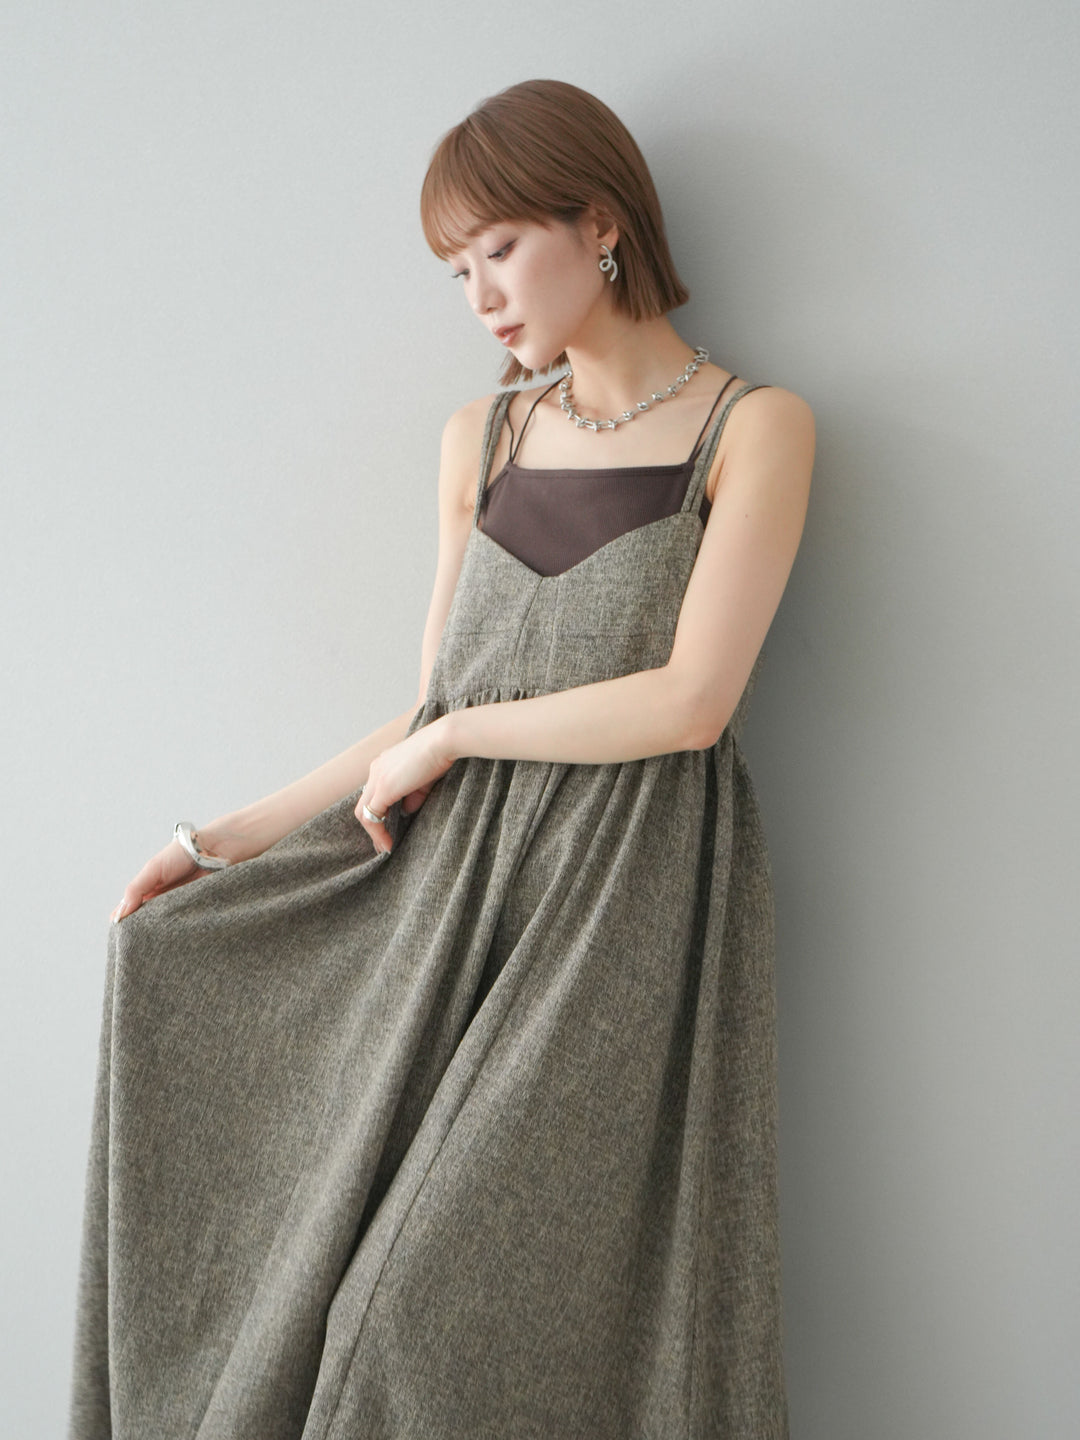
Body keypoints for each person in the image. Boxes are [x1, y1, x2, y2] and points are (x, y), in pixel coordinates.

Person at [69, 79, 814, 1440]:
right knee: (328, 1287)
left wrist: (465, 730)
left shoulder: (753, 427)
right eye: (456, 269)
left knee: (415, 1317)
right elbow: (425, 709)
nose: (479, 297)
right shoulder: (484, 436)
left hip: (621, 899)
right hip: (453, 892)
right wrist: (217, 842)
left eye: (501, 250)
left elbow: (694, 703)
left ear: (602, 225)